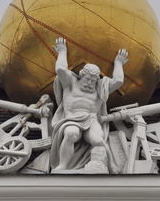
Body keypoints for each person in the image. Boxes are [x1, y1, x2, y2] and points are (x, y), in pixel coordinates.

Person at [50, 37, 128, 173]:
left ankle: (103, 165)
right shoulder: (70, 83)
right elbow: (61, 70)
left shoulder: (99, 88)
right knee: (70, 133)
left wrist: (119, 62)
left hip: (91, 120)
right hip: (71, 119)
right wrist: (62, 51)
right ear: (81, 76)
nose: (89, 83)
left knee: (98, 141)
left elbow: (118, 81)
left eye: (93, 81)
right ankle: (62, 166)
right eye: (87, 79)